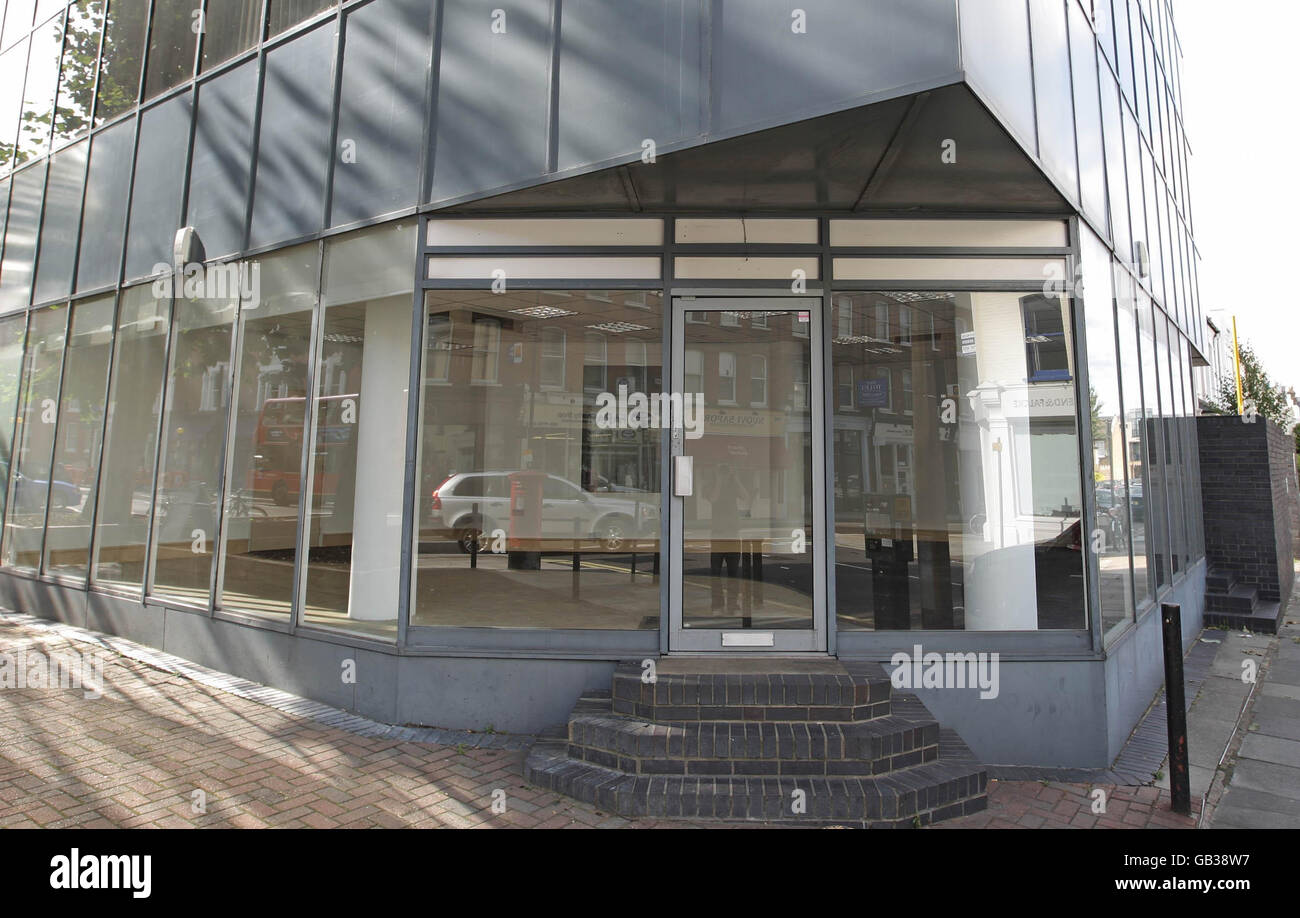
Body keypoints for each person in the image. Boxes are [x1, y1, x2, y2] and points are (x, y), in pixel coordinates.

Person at [705, 463, 750, 613]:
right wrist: (718, 479)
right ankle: (717, 604)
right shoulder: (711, 483)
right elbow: (713, 498)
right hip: (718, 534)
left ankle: (732, 604)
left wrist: (735, 478)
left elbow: (745, 497)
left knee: (733, 573)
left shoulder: (733, 484)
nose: (724, 471)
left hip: (733, 534)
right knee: (715, 573)